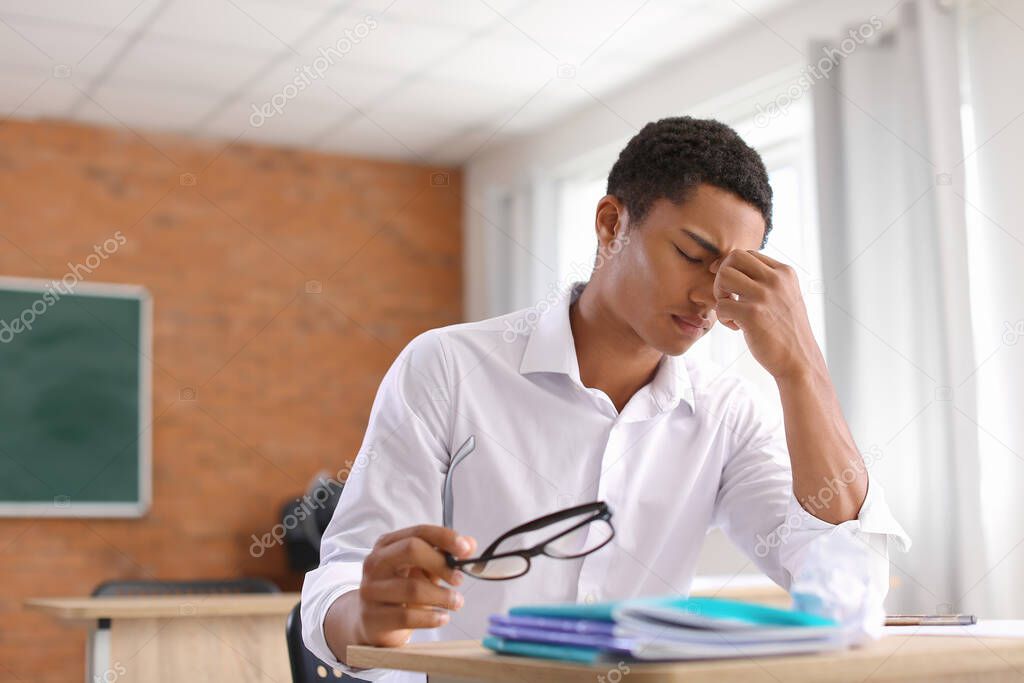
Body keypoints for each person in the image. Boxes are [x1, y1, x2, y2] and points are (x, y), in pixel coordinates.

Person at [301, 116, 911, 681]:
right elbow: (343, 577)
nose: (708, 297)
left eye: (729, 274)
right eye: (692, 256)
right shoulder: (448, 367)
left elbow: (846, 589)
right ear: (612, 224)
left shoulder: (726, 413)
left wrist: (802, 369)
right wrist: (367, 616)